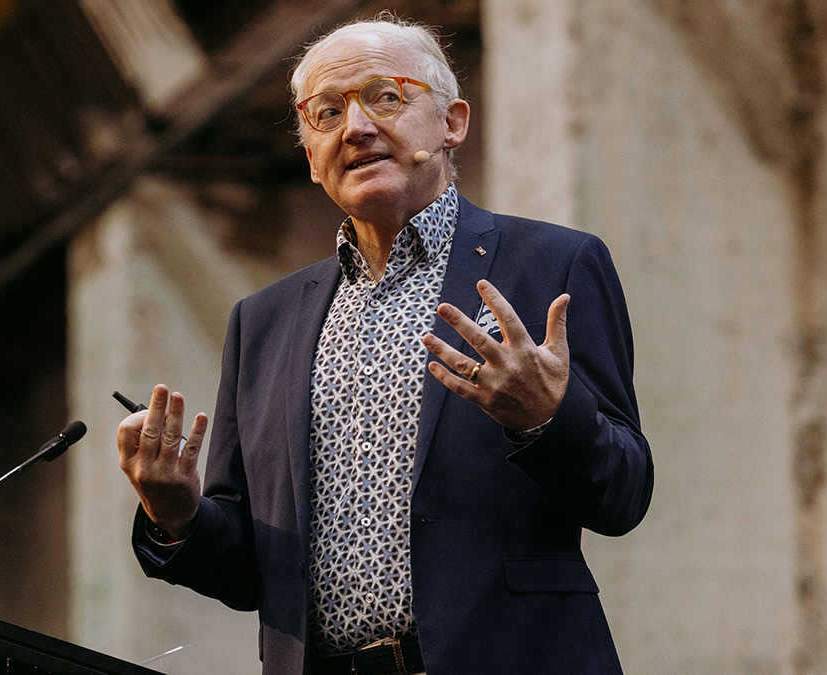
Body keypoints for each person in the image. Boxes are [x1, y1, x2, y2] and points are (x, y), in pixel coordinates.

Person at [116, 15, 653, 675]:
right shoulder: (263, 322)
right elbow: (254, 571)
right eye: (327, 112)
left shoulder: (551, 265)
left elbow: (624, 492)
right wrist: (179, 513)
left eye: (386, 97)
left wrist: (544, 417)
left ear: (452, 122)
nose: (357, 127)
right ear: (311, 156)